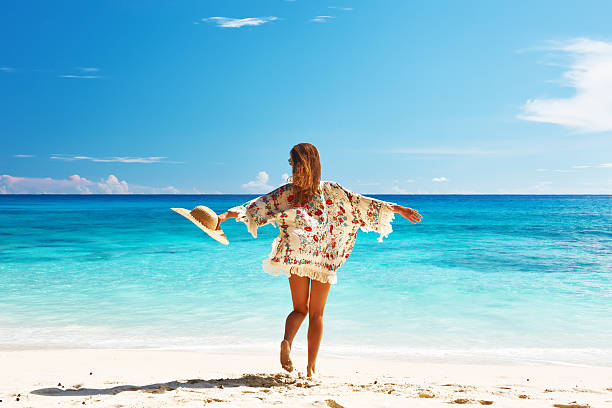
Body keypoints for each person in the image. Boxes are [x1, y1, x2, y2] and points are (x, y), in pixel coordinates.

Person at [216, 143, 422, 377]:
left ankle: (286, 341)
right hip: (323, 256)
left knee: (299, 309)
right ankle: (311, 369)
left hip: (297, 251)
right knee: (316, 314)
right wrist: (398, 209)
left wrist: (222, 216)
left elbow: (254, 206)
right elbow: (362, 204)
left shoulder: (287, 192)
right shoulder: (331, 189)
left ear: (294, 164)